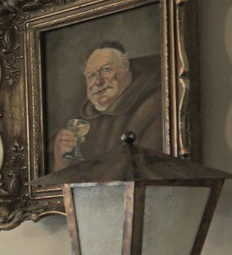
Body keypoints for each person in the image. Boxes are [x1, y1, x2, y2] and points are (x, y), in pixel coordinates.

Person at [52, 42, 163, 172]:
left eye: (106, 70)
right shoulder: (82, 124)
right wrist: (61, 162)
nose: (98, 81)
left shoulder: (153, 105)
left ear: (125, 65)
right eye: (91, 75)